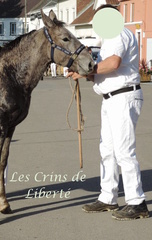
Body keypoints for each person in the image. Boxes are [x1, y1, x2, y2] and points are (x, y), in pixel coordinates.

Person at [67, 4, 149, 220]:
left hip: (123, 97)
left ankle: (137, 202)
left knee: (123, 150)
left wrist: (88, 69)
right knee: (108, 150)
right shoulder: (111, 38)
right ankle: (108, 197)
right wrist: (82, 74)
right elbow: (102, 71)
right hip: (113, 98)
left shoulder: (118, 34)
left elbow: (113, 64)